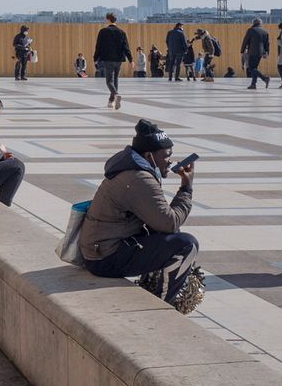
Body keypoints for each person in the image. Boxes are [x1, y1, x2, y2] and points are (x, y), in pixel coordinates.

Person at [79, 119, 203, 312]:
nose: (170, 161)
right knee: (186, 245)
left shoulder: (133, 169)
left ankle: (153, 289)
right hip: (104, 258)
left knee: (169, 237)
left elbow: (160, 224)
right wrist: (186, 188)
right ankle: (162, 306)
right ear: (149, 155)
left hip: (100, 249)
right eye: (166, 156)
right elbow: (169, 222)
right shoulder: (139, 178)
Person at [92, 13, 132, 110]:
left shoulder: (103, 31)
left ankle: (116, 94)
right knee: (115, 80)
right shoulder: (121, 32)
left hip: (107, 59)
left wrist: (95, 58)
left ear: (108, 20)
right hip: (118, 60)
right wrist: (131, 59)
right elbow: (126, 47)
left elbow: (98, 46)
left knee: (109, 81)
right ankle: (111, 101)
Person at [241, 19, 271, 89]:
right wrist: (267, 52)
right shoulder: (265, 32)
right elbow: (267, 44)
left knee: (251, 68)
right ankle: (253, 84)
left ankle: (265, 78)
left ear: (253, 23)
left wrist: (242, 50)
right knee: (254, 68)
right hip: (260, 52)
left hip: (252, 51)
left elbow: (245, 40)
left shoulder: (251, 30)